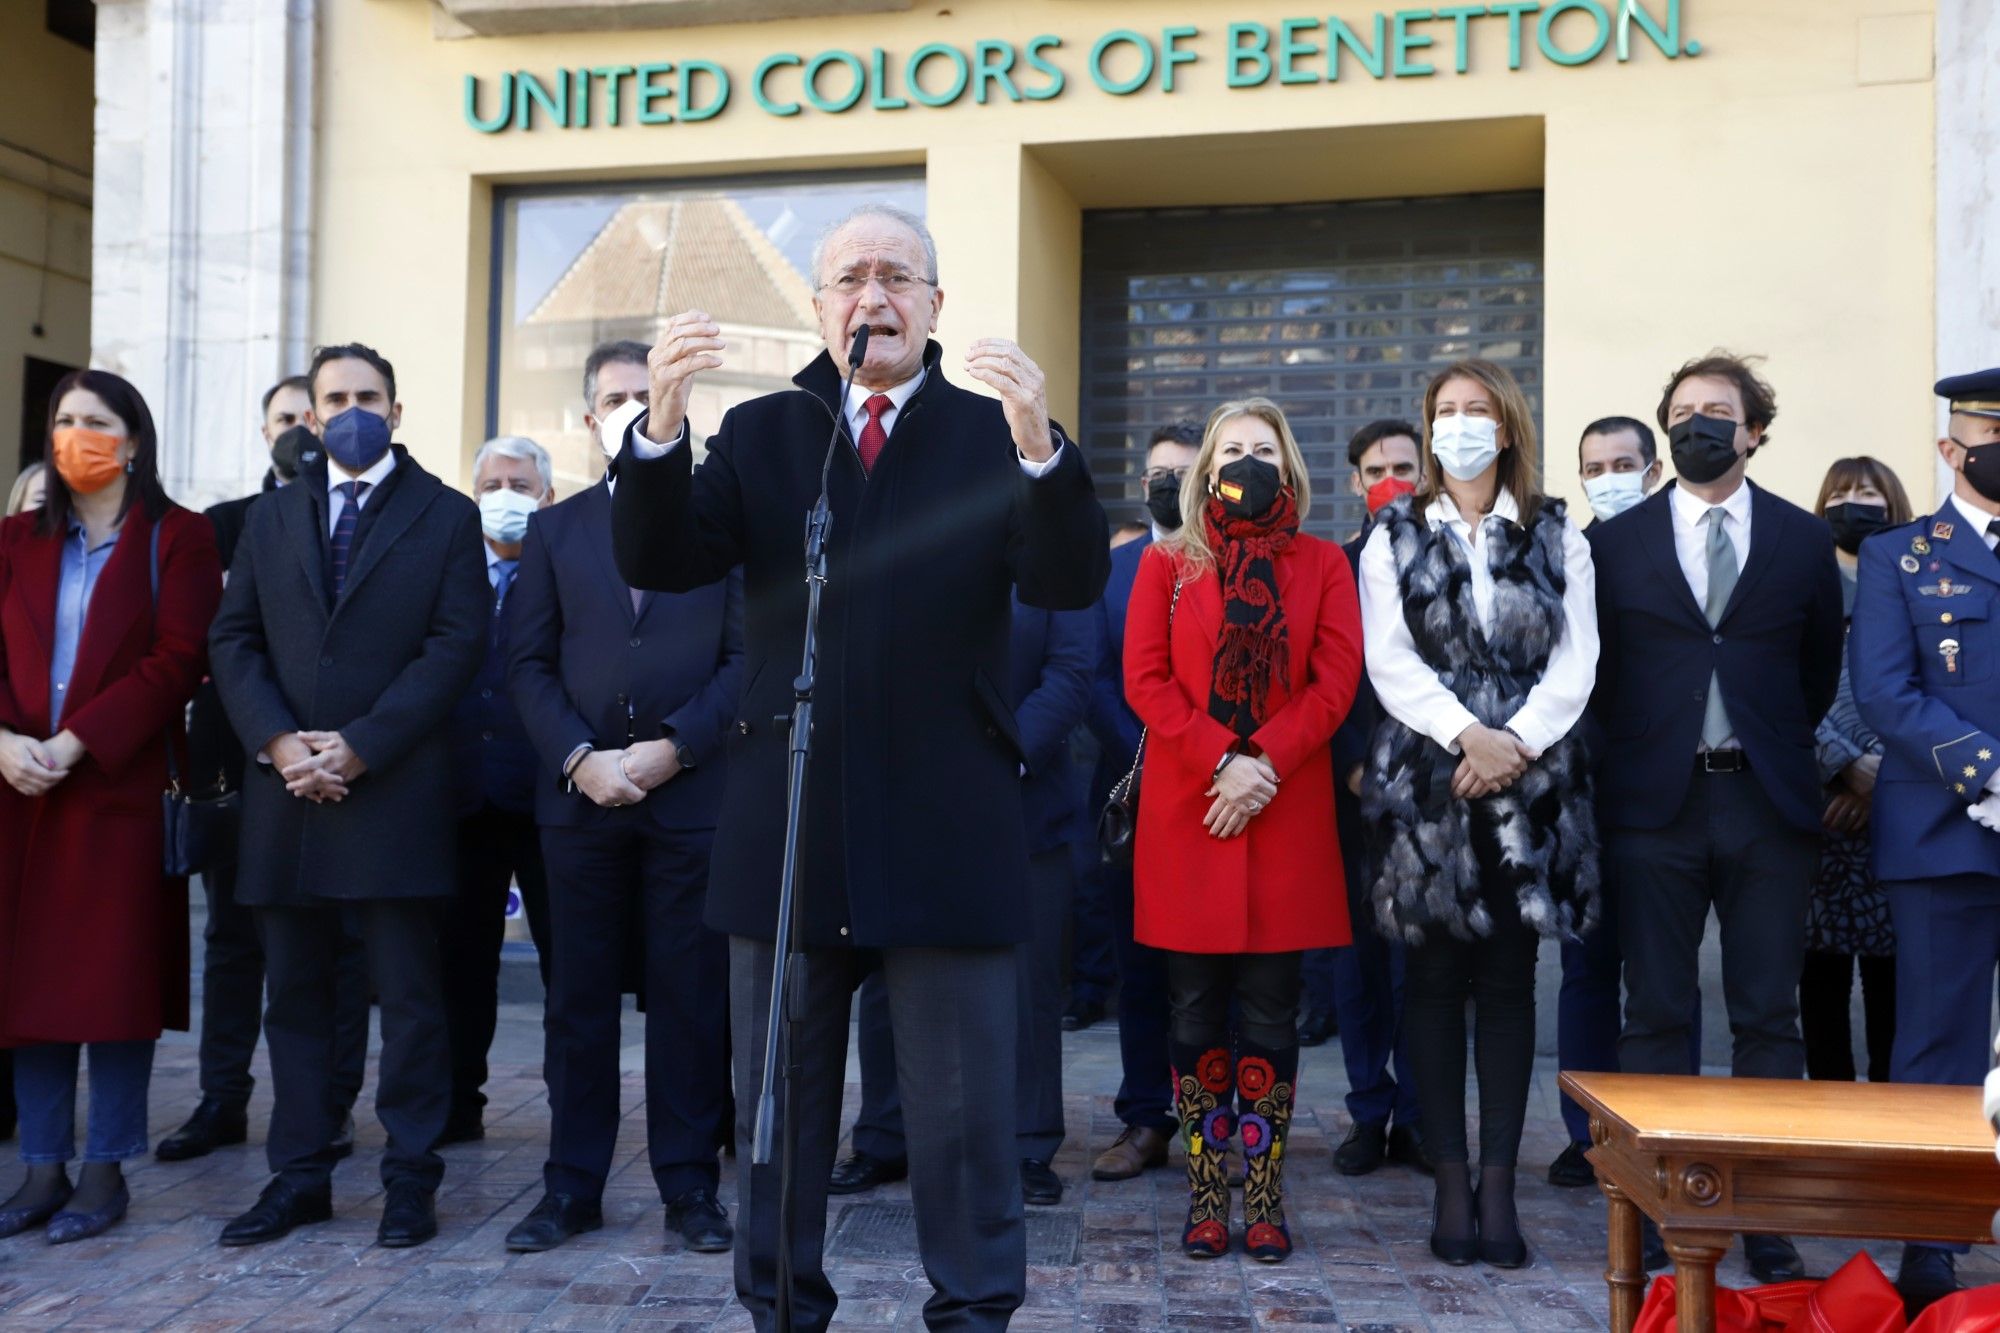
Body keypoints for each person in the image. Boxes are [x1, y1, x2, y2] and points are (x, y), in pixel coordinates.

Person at [609, 204, 1108, 1331]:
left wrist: (1040, 443)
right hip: (789, 823)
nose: (870, 297)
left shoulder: (990, 432)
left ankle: (974, 1307)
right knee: (777, 1106)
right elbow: (660, 553)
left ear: (934, 306)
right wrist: (661, 423)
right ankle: (781, 1306)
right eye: (847, 278)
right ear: (821, 306)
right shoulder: (768, 433)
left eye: (896, 277)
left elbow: (1070, 579)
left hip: (946, 820)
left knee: (964, 1115)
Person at [208, 342, 488, 1249]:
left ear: (396, 411)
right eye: (335, 398)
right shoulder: (273, 514)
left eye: (369, 395)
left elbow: (454, 647)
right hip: (285, 795)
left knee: (408, 1001)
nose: (352, 410)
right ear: (313, 415)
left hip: (394, 791)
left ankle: (411, 1177)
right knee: (292, 996)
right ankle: (299, 1176)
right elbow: (234, 639)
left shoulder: (446, 515)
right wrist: (281, 741)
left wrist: (362, 746)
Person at [1589, 352, 1843, 1283]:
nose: (1698, 424)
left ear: (1754, 431)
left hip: (1766, 802)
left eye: (1718, 411)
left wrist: (1767, 744)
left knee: (1768, 1016)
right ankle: (1658, 1203)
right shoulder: (1614, 543)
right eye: (1683, 411)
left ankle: (1764, 1209)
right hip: (1654, 804)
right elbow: (1601, 677)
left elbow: (1815, 670)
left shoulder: (1801, 539)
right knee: (1654, 1012)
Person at [503, 339, 744, 1255]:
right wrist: (579, 756)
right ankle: (571, 1186)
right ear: (590, 415)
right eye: (617, 396)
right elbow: (524, 662)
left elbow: (742, 660)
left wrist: (672, 750)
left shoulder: (721, 532)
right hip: (579, 803)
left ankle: (689, 1187)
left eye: (653, 393)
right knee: (580, 1001)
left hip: (689, 800)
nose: (635, 407)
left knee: (689, 1000)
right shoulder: (556, 530)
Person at [1359, 359, 1599, 1270]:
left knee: (1505, 988)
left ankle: (1500, 1185)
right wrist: (1467, 734)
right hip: (1429, 782)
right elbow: (1390, 661)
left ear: (1506, 428)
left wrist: (1515, 743)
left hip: (1530, 786)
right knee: (1429, 987)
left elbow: (1577, 659)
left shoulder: (1555, 534)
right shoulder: (1391, 533)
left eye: (1476, 410)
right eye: (1444, 411)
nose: (1459, 424)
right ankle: (1449, 1181)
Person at [1126, 397, 1362, 1263]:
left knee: (1270, 1013)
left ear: (1289, 463)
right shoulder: (1169, 566)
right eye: (1233, 449)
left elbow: (1335, 683)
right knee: (1191, 1009)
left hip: (1283, 811)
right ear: (1205, 469)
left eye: (1264, 448)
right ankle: (1203, 1192)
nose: (1248, 461)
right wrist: (1224, 758)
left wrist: (1261, 765)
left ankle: (1261, 1195)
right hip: (1193, 812)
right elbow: (1146, 682)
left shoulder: (1325, 564)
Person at [0, 370, 222, 1241]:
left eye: (95, 421)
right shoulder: (16, 538)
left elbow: (179, 660)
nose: (75, 435)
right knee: (29, 990)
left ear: (132, 439)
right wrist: (7, 744)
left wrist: (76, 739)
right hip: (20, 792)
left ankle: (105, 1170)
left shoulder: (181, 537)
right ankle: (42, 1167)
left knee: (114, 989)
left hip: (117, 787)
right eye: (63, 420)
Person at [158, 387, 370, 1166]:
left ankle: (329, 1106)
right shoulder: (225, 524)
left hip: (337, 761)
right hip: (239, 759)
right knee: (231, 936)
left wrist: (318, 748)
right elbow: (224, 639)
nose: (302, 434)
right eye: (287, 421)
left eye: (309, 421)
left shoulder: (365, 515)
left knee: (340, 942)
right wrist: (274, 740)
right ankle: (222, 1098)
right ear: (266, 432)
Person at [841, 591, 1096, 1208]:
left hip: (1024, 805)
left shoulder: (1046, 543)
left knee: (1028, 983)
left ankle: (1027, 1143)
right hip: (909, 795)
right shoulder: (917, 520)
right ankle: (885, 1135)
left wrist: (999, 755)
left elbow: (1071, 673)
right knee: (888, 969)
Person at [1848, 367, 2000, 1313]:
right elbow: (1885, 691)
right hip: (1949, 831)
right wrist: (1989, 769)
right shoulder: (1902, 556)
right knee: (1938, 1040)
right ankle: (1933, 1237)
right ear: (1952, 448)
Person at [1549, 411, 1690, 1191]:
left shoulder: (1686, 549)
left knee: (1664, 975)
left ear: (1655, 469)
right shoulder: (1567, 556)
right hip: (1583, 799)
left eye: (1623, 462)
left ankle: (1668, 1125)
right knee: (1587, 970)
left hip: (1670, 795)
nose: (1608, 477)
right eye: (1593, 466)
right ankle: (1588, 1132)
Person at [1078, 420, 1201, 1186]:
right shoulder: (1112, 569)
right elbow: (1092, 679)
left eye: (1185, 471)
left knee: (1219, 972)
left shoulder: (1236, 567)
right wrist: (1152, 760)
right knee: (1141, 965)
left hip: (1223, 799)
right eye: (1158, 470)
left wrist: (1205, 763)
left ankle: (1218, 1114)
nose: (1168, 483)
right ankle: (1146, 1116)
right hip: (1132, 799)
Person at [438, 435, 556, 1147]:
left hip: (550, 802)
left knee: (569, 971)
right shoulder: (449, 570)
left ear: (546, 496)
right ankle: (456, 1105)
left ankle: (573, 1112)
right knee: (459, 969)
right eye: (492, 482)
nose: (504, 494)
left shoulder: (566, 566)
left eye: (519, 482)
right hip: (462, 801)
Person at [1324, 419, 1430, 1177]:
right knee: (1357, 964)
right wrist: (1356, 764)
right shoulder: (1336, 568)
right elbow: (1323, 674)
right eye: (1376, 468)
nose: (1390, 478)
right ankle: (1368, 1109)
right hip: (1353, 797)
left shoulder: (1458, 561)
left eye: (1403, 465)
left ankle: (1421, 1118)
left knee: (1422, 968)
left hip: (1436, 798)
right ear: (1356, 484)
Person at [1801, 456, 1910, 1086]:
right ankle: (1829, 1122)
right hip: (1821, 819)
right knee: (1819, 990)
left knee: (1894, 992)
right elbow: (1784, 693)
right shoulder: (1803, 583)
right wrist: (1841, 769)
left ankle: (1890, 1127)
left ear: (1892, 504)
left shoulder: (1917, 582)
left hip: (1901, 817)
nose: (1853, 505)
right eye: (1839, 493)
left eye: (1867, 494)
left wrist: (1882, 784)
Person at [1576, 416, 1663, 524]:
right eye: (1595, 469)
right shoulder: (1573, 541)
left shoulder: (1681, 537)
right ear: (1583, 481)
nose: (1608, 481)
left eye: (1624, 466)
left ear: (1654, 472)